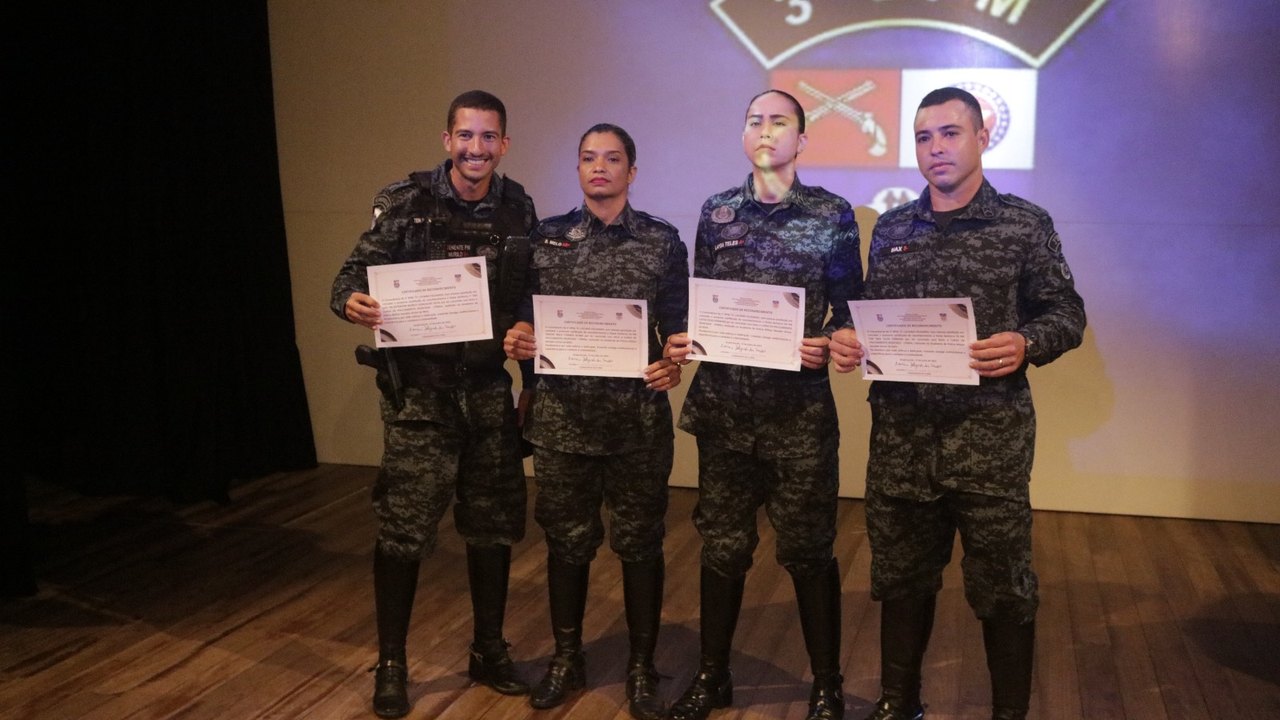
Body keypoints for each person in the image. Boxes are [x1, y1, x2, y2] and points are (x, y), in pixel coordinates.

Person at [829, 87, 1086, 720]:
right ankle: (898, 703)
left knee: (1002, 589)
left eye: (949, 133)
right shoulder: (891, 228)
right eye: (923, 137)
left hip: (989, 443)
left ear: (981, 138)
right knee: (900, 578)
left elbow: (1068, 314)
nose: (935, 148)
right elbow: (874, 320)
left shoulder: (1024, 223)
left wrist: (1027, 342)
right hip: (901, 442)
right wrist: (850, 340)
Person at [330, 90, 538, 719]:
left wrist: (531, 372)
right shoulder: (404, 203)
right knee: (403, 531)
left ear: (504, 144)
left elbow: (527, 296)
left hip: (486, 392)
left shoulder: (518, 207)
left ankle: (488, 649)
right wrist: (352, 305)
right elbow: (348, 281)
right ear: (447, 140)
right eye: (466, 136)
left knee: (493, 526)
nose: (478, 149)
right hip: (419, 397)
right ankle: (392, 661)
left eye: (489, 137)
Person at [665, 90, 864, 720]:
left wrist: (829, 340)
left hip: (797, 414)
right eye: (756, 121)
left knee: (808, 550)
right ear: (743, 135)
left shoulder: (832, 214)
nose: (766, 131)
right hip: (724, 411)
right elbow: (707, 303)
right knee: (722, 547)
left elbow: (851, 308)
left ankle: (827, 685)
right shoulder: (717, 211)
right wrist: (689, 336)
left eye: (780, 122)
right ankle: (713, 677)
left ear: (802, 140)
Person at [503, 123, 687, 720]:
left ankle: (640, 667)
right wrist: (523, 340)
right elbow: (526, 318)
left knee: (639, 545)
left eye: (612, 159)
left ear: (632, 172)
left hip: (636, 423)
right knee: (566, 543)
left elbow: (678, 326)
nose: (599, 168)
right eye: (588, 158)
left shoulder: (662, 241)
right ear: (577, 169)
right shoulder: (546, 237)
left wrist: (673, 362)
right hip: (562, 422)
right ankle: (566, 657)